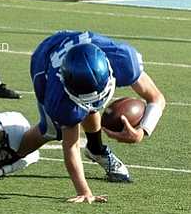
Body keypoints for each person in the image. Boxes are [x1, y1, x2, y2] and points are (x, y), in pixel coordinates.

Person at [15, 30, 166, 204]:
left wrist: (142, 131)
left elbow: (156, 98)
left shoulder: (123, 60)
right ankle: (8, 156)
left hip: (80, 52)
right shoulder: (58, 94)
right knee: (52, 130)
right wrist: (84, 191)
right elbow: (70, 146)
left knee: (85, 109)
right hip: (45, 58)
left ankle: (96, 150)